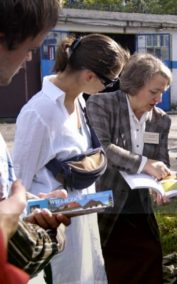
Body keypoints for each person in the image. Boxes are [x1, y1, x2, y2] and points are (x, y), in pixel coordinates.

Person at [12, 33, 129, 283]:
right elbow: (18, 184)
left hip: (82, 219)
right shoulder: (38, 113)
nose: (108, 89)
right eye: (109, 82)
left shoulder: (78, 101)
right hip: (54, 230)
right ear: (89, 76)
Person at [86, 53, 172, 284]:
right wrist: (145, 164)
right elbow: (103, 149)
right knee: (111, 266)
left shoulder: (161, 120)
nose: (160, 98)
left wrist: (164, 186)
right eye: (154, 91)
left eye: (163, 91)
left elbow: (162, 160)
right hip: (106, 202)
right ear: (134, 84)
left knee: (150, 259)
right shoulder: (101, 103)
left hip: (139, 205)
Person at [0, 0, 70, 282]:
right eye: (30, 48)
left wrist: (27, 205)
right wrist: (53, 236)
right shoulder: (38, 110)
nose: (29, 59)